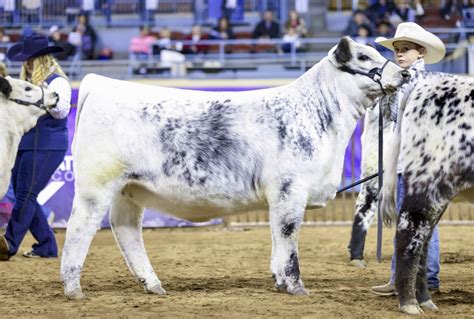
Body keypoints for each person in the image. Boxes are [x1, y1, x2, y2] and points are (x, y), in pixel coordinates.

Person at [370, 22, 446, 296]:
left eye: (405, 50)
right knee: (419, 222)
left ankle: (414, 279)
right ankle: (415, 278)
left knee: (415, 223)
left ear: (421, 52)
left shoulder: (424, 82)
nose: (399, 55)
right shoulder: (401, 82)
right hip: (409, 162)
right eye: (397, 50)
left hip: (418, 164)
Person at [0, 35, 72, 261]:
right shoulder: (26, 82)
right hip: (25, 145)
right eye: (25, 60)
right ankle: (47, 245)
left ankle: (9, 244)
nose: (26, 64)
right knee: (26, 195)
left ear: (42, 59)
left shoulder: (57, 81)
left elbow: (62, 111)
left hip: (48, 145)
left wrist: (44, 96)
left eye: (30, 60)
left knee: (25, 195)